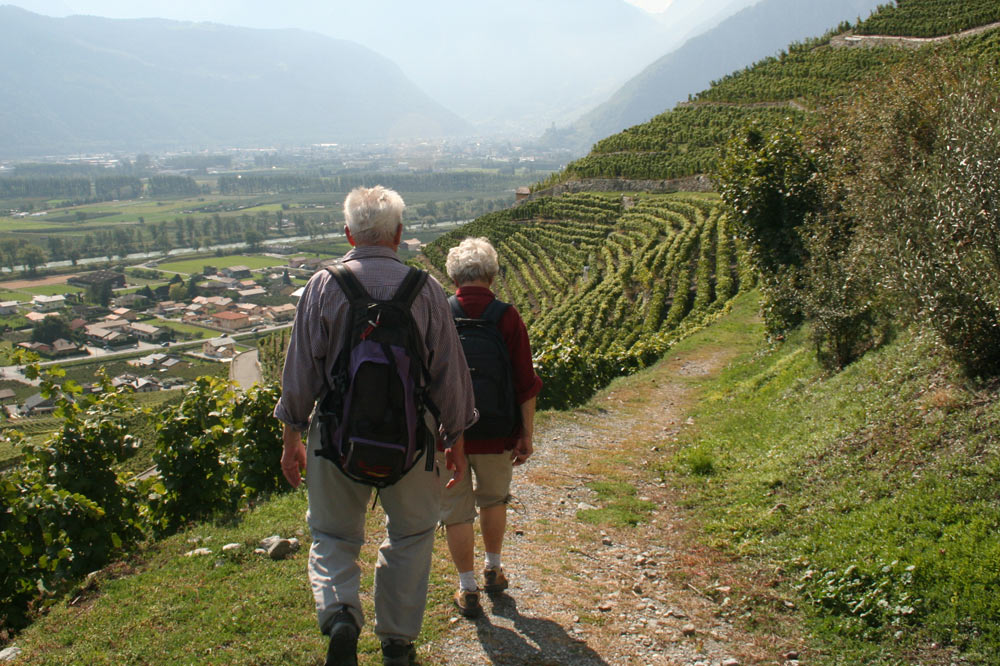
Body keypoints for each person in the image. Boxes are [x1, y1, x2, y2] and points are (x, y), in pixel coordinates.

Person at [274, 186, 476, 666]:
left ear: (348, 233)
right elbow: (451, 375)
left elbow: (299, 374)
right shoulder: (425, 290)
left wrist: (291, 440)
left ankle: (341, 613)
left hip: (335, 436)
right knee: (411, 535)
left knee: (332, 533)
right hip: (415, 440)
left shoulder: (324, 286)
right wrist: (456, 441)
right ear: (400, 235)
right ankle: (398, 643)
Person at [441, 237, 542, 618]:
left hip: (451, 435)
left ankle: (467, 589)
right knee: (494, 500)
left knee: (456, 512)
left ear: (453, 276)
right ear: (491, 273)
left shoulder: (441, 313)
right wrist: (526, 433)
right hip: (498, 430)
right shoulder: (507, 316)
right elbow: (525, 382)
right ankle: (493, 569)